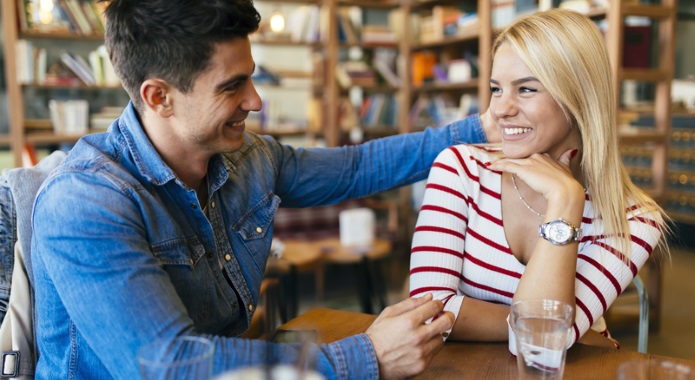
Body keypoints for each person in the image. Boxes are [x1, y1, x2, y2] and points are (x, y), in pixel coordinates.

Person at [29, 0, 499, 379]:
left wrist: (481, 128)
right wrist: (368, 355)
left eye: (251, 76)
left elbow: (356, 167)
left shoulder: (248, 157)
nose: (255, 100)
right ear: (159, 97)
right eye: (232, 86)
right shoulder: (85, 201)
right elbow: (167, 364)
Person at [409, 8, 669, 350]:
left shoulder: (635, 218)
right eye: (496, 89)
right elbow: (427, 315)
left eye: (526, 89)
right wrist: (552, 329)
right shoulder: (460, 168)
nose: (500, 109)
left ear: (580, 97)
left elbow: (540, 346)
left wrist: (565, 200)